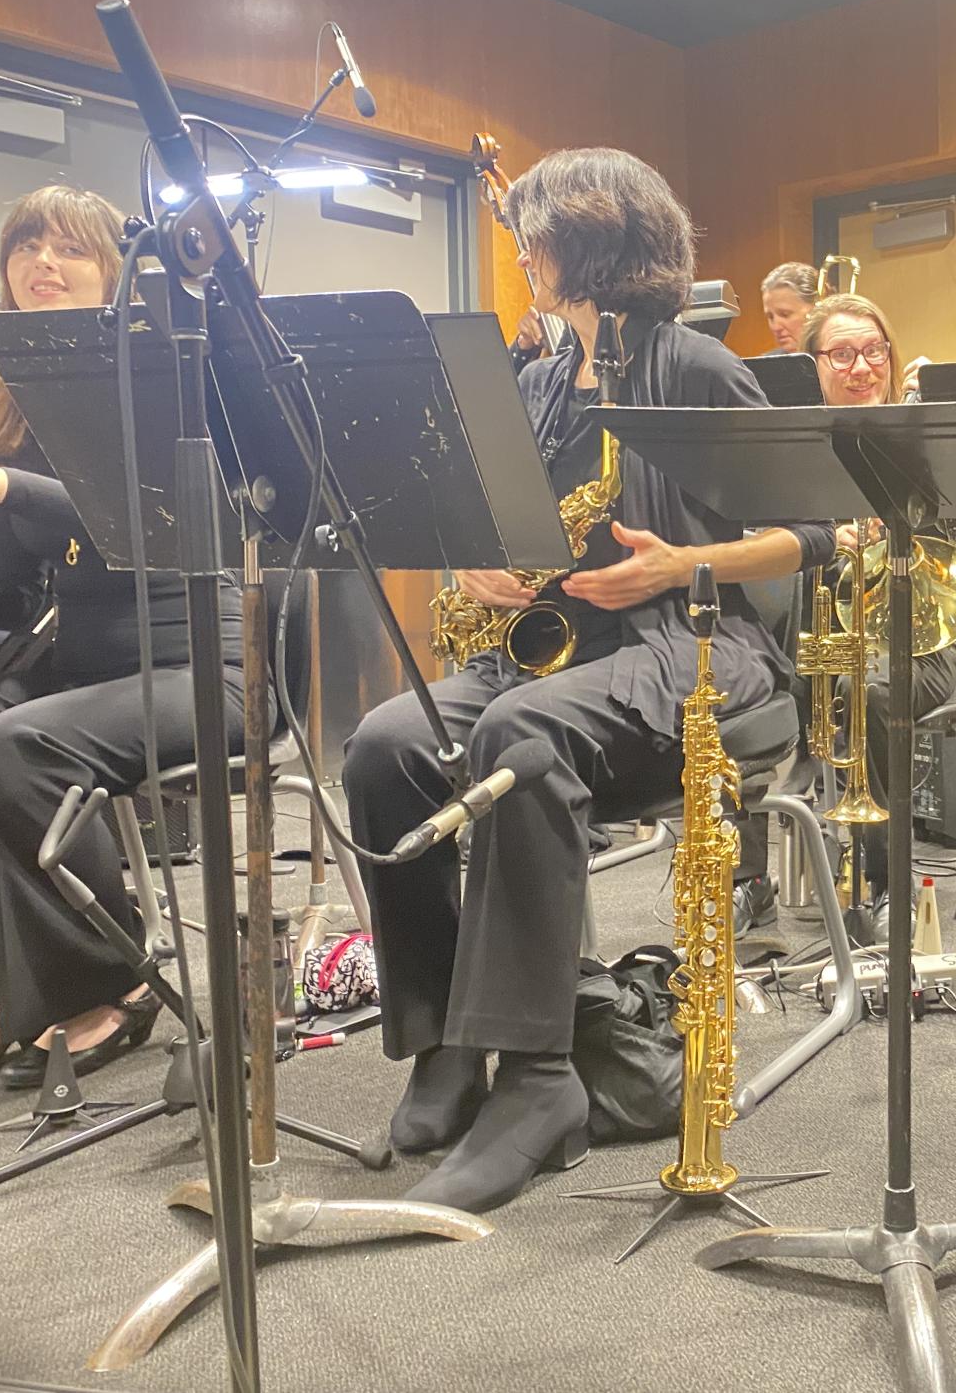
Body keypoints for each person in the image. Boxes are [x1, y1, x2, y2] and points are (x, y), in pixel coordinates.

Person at [342, 148, 834, 1215]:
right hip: (557, 645)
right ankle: (440, 1043)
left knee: (520, 741)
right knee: (385, 744)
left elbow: (811, 535)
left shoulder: (696, 368)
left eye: (541, 238)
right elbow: (513, 529)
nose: (524, 255)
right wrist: (484, 562)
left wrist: (683, 562)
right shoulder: (533, 383)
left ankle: (537, 1077)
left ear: (600, 245)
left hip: (691, 644)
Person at [0, 185, 240, 1098]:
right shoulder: (5, 397)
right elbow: (16, 570)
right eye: (27, 248)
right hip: (76, 662)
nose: (44, 264)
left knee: (13, 749)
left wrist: (6, 489)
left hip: (193, 658)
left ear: (109, 271)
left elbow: (148, 523)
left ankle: (107, 978)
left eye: (68, 250)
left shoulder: (160, 370)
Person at [800, 292, 956, 911]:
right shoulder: (796, 452)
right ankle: (748, 882)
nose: (861, 367)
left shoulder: (922, 436)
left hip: (914, 636)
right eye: (843, 354)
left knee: (871, 693)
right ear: (815, 368)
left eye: (873, 351)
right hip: (823, 637)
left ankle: (884, 879)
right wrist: (825, 542)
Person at [760, 261, 819, 352]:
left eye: (785, 314)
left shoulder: (843, 361)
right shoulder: (763, 365)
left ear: (817, 310)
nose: (776, 327)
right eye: (771, 317)